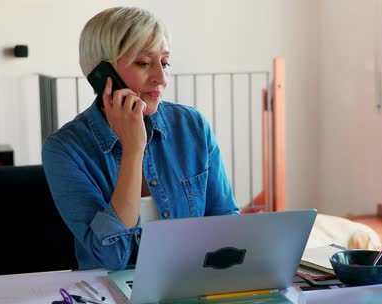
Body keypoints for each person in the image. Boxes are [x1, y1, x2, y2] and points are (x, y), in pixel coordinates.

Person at [42, 7, 239, 271]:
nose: (161, 77)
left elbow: (226, 222)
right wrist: (134, 150)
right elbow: (110, 259)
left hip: (189, 284)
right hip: (108, 296)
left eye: (165, 63)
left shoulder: (193, 126)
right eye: (144, 63)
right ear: (102, 74)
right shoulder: (65, 149)